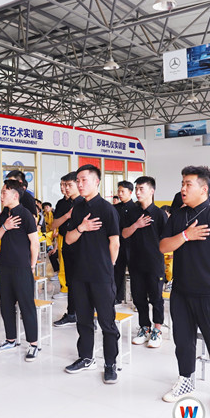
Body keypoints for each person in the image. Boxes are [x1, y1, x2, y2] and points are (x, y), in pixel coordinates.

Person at [159, 166, 210, 415]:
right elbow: (163, 246)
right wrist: (185, 235)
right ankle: (186, 380)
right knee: (183, 340)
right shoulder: (178, 216)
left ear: (204, 189)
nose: (182, 188)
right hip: (181, 291)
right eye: (182, 183)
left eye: (188, 184)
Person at [64, 164, 121, 384]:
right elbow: (68, 239)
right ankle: (86, 357)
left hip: (101, 276)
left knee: (107, 322)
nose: (79, 184)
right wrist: (82, 227)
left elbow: (114, 243)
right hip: (79, 274)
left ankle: (110, 363)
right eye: (77, 180)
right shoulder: (77, 207)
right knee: (84, 320)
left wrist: (108, 266)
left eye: (84, 180)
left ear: (97, 182)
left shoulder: (108, 209)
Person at [0, 180, 40, 361]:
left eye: (4, 192)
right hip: (4, 267)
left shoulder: (26, 215)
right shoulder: (4, 214)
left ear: (15, 195)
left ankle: (33, 344)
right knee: (6, 304)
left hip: (22, 267)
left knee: (27, 306)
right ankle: (10, 340)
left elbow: (34, 243)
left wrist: (31, 266)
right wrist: (5, 226)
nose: (1, 195)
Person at [121, 176, 168, 348]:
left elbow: (166, 239)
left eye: (141, 189)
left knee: (156, 298)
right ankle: (144, 328)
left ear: (151, 191)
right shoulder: (131, 212)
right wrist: (136, 225)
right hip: (135, 262)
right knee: (139, 297)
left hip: (154, 262)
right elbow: (124, 234)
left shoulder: (160, 214)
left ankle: (157, 330)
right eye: (137, 189)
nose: (138, 192)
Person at [52, 172, 83, 327]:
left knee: (84, 282)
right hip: (67, 245)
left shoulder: (85, 202)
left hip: (82, 248)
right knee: (71, 282)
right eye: (64, 185)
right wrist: (67, 216)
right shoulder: (62, 203)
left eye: (68, 185)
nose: (65, 188)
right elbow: (53, 224)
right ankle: (71, 314)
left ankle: (88, 315)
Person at [114, 180, 135, 305]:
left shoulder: (136, 208)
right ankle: (118, 296)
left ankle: (136, 297)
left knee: (135, 272)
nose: (120, 194)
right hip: (118, 244)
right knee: (118, 271)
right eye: (119, 191)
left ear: (130, 192)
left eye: (123, 191)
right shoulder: (115, 208)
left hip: (132, 245)